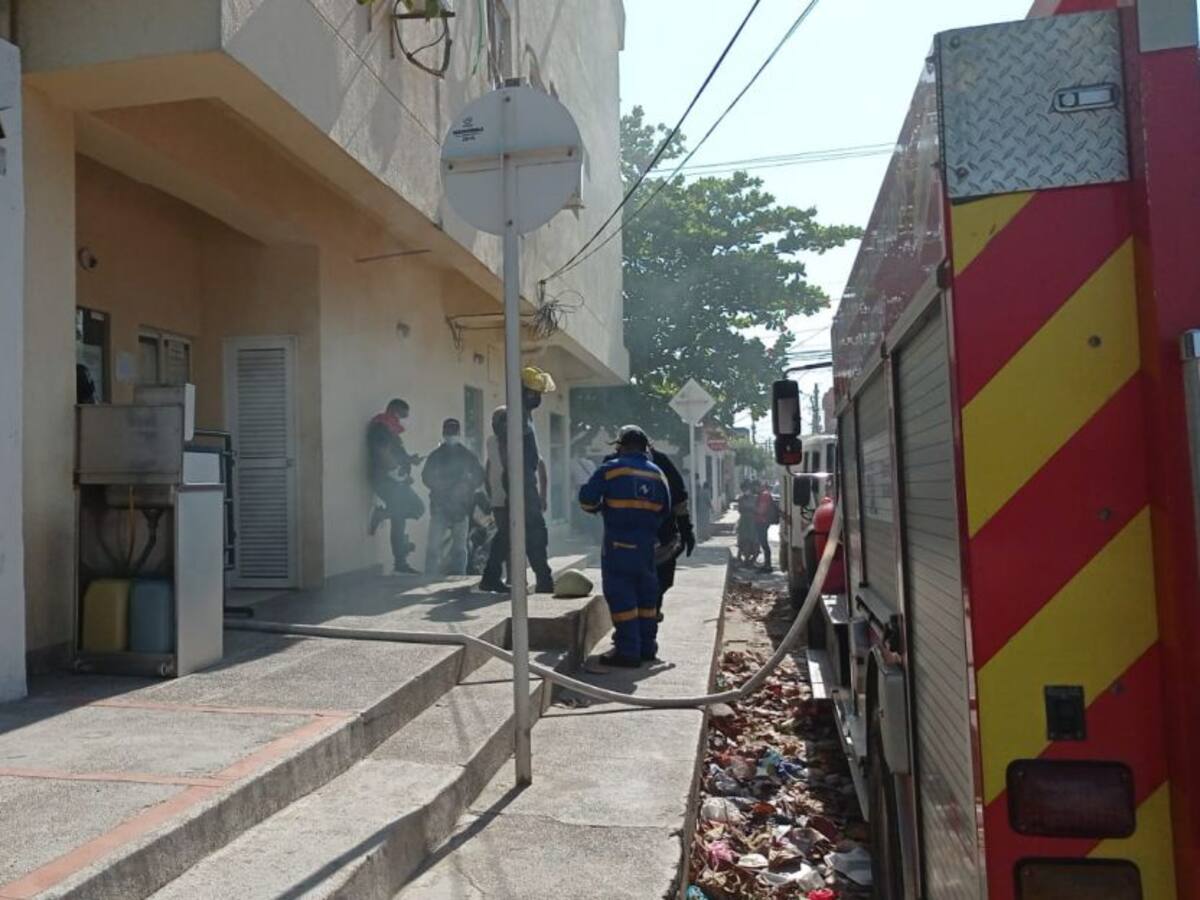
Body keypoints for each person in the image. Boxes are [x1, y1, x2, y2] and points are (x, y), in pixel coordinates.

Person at [579, 425, 670, 668]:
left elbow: (587, 501)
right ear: (645, 447)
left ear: (620, 445)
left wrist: (602, 508)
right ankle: (647, 647)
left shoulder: (610, 470)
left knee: (621, 595)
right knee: (646, 597)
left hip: (618, 546)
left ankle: (628, 651)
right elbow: (665, 511)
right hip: (646, 547)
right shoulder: (658, 474)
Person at [479, 367, 558, 593]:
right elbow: (506, 450)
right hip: (520, 480)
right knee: (535, 531)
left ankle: (491, 576)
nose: (538, 397)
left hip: (521, 479)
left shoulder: (523, 415)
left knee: (510, 533)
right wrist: (516, 480)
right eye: (534, 392)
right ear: (523, 391)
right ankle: (544, 580)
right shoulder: (513, 415)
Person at [366, 398, 424, 574]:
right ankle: (383, 515)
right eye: (402, 415)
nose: (402, 420)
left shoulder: (390, 428)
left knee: (406, 514)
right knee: (411, 510)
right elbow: (382, 453)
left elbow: (396, 453)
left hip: (395, 479)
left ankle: (400, 560)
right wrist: (399, 475)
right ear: (394, 410)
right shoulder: (381, 427)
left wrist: (410, 460)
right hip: (386, 479)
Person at [422, 418, 485, 576]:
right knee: (433, 547)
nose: (450, 434)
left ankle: (459, 579)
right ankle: (429, 576)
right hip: (440, 506)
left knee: (459, 549)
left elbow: (479, 475)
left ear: (458, 433)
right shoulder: (436, 455)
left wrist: (467, 486)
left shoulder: (466, 455)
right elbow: (426, 476)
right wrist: (438, 485)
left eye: (453, 431)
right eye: (448, 431)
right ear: (444, 433)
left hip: (460, 508)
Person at [647, 446, 694, 621]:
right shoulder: (661, 462)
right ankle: (650, 614)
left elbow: (591, 501)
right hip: (661, 539)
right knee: (659, 581)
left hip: (626, 542)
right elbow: (679, 500)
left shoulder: (612, 463)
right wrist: (686, 531)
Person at [755, 479, 779, 572]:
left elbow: (761, 510)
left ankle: (768, 565)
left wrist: (752, 509)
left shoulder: (764, 495)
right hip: (763, 521)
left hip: (762, 521)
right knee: (763, 543)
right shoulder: (764, 494)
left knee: (764, 543)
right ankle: (766, 564)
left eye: (756, 487)